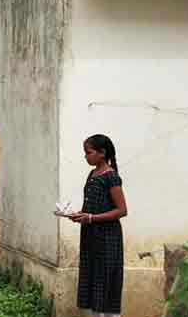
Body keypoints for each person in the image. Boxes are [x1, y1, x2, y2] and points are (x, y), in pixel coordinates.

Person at [69, 134, 127, 317]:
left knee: (106, 280)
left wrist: (91, 218)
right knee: (93, 280)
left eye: (89, 152)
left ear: (102, 153)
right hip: (90, 237)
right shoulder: (92, 175)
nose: (86, 156)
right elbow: (92, 207)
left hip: (107, 238)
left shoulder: (111, 177)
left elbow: (122, 210)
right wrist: (80, 215)